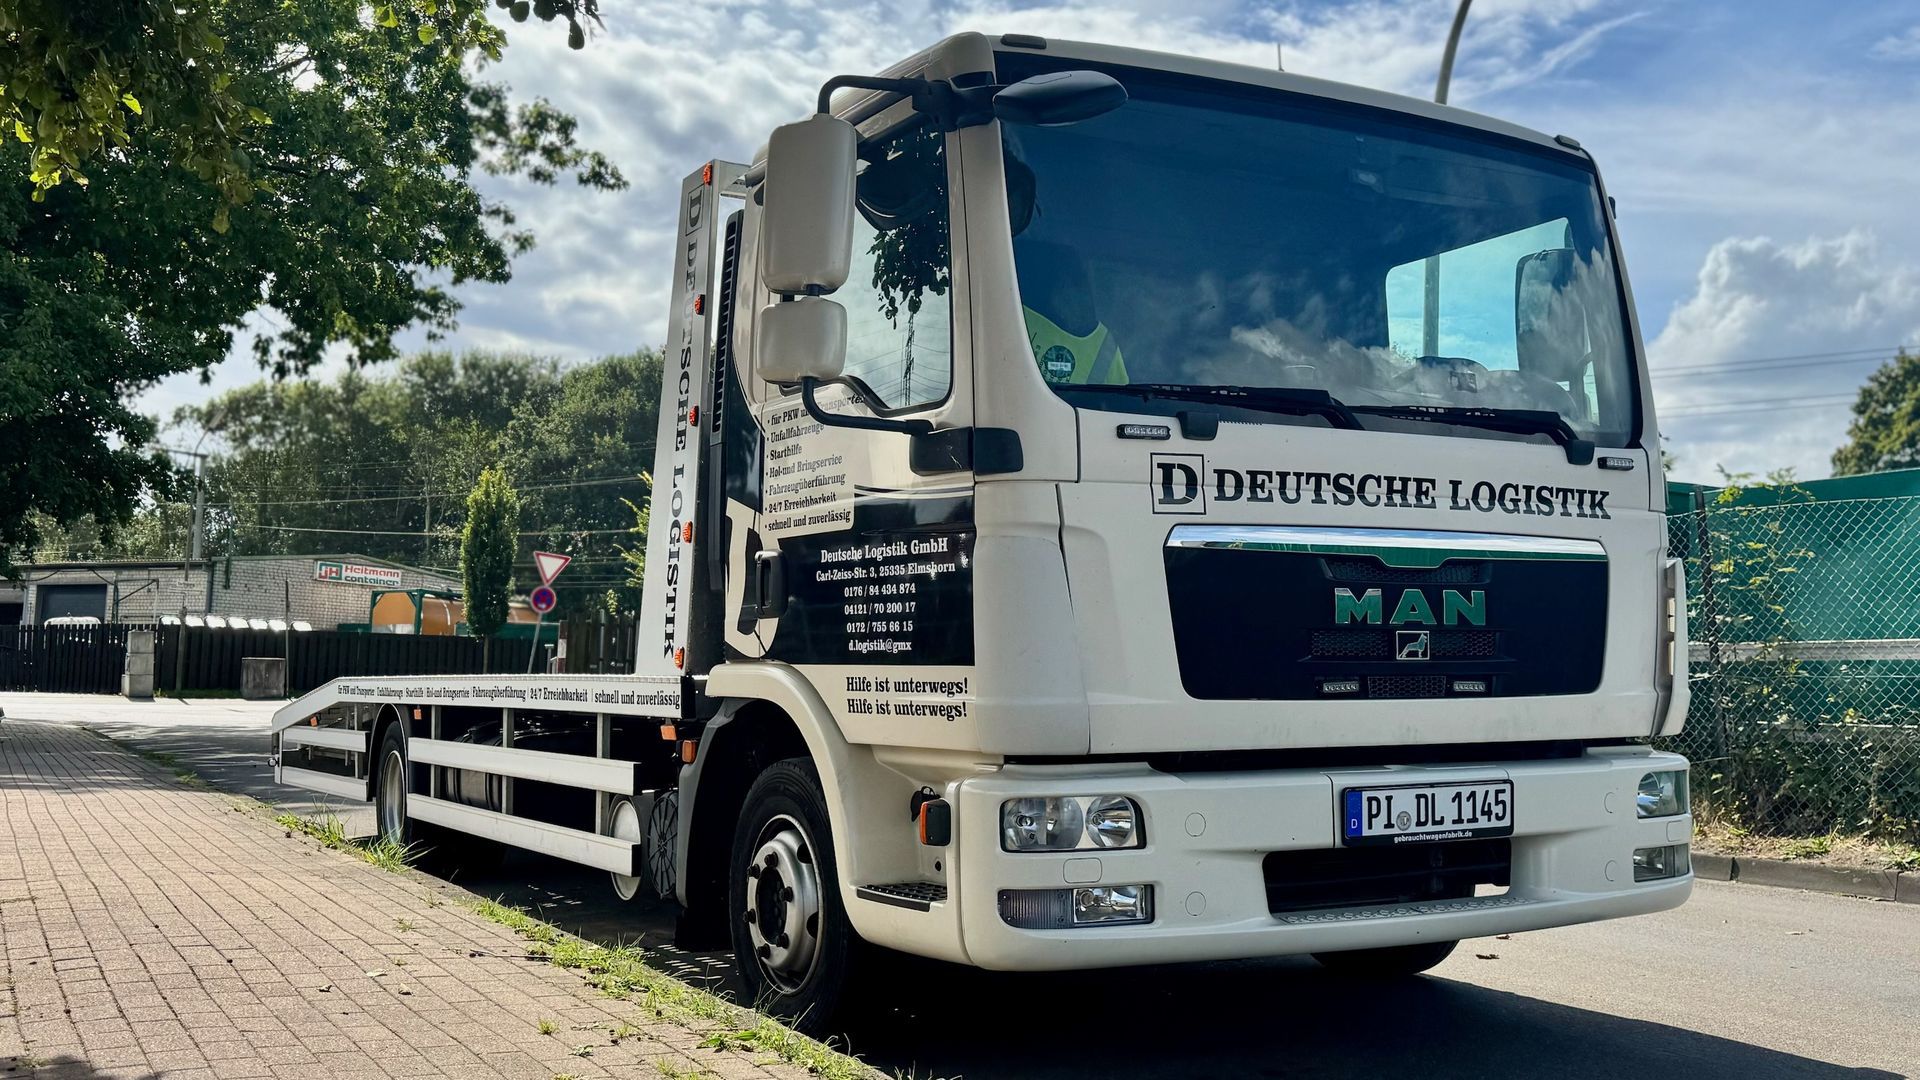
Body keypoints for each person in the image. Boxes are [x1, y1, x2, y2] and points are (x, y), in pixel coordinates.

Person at [1005, 150, 1128, 386]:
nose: (1080, 292)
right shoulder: (1010, 310)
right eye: (1074, 282)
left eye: (1081, 283)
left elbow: (1128, 408)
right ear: (1056, 284)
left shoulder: (1107, 349)